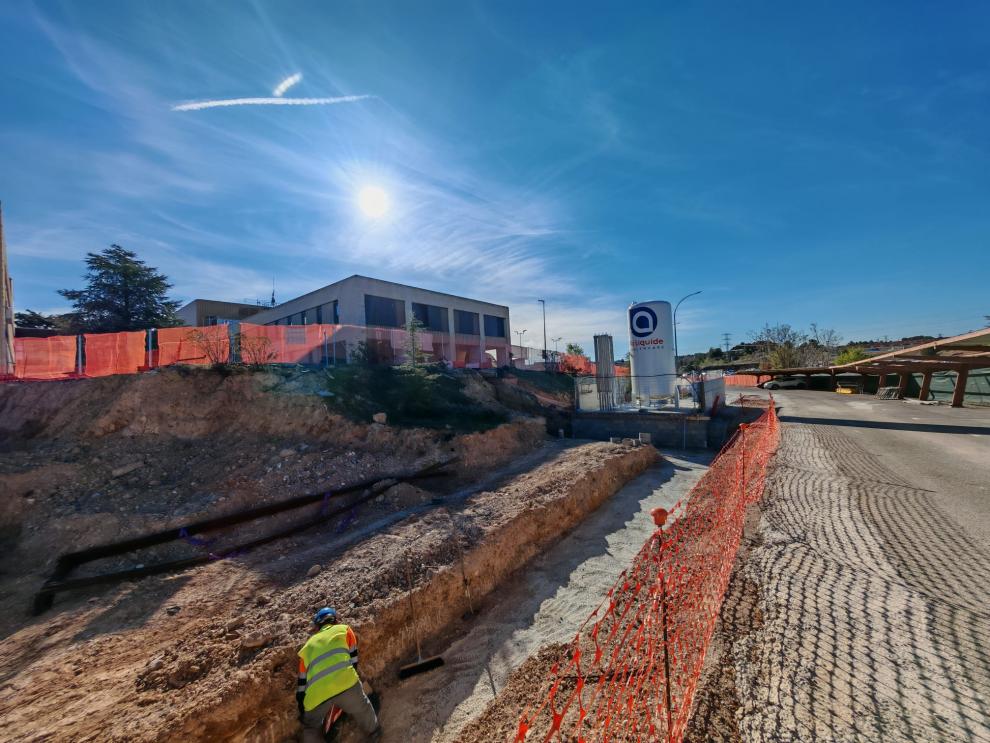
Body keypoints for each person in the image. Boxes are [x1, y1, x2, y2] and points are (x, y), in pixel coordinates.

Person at [297, 607, 381, 742]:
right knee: (362, 707)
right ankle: (375, 733)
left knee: (311, 728)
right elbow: (353, 661)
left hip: (316, 696)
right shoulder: (344, 630)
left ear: (317, 627)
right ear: (335, 620)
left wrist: (303, 709)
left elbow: (301, 686)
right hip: (346, 683)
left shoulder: (306, 648)